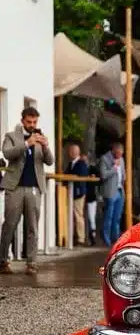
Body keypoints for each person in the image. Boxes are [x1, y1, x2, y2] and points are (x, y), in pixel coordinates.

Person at [0, 106, 54, 275]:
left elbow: (50, 161)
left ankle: (32, 263)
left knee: (33, 227)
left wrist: (45, 146)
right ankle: (3, 261)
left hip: (34, 188)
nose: (32, 125)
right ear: (22, 120)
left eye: (34, 122)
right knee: (9, 225)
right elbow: (7, 153)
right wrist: (26, 144)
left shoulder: (40, 136)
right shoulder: (11, 136)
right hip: (14, 187)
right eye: (29, 122)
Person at [99, 141, 125, 246]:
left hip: (119, 190)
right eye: (118, 154)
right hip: (110, 191)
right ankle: (106, 239)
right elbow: (103, 175)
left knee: (117, 217)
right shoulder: (105, 159)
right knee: (108, 217)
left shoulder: (121, 159)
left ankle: (116, 239)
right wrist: (114, 168)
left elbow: (123, 172)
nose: (119, 156)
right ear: (113, 150)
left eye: (121, 154)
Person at [66, 142, 89, 246]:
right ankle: (74, 236)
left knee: (78, 215)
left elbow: (81, 178)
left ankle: (81, 238)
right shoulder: (71, 163)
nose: (69, 153)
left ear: (76, 152)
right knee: (73, 215)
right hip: (72, 192)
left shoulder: (81, 163)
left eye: (71, 151)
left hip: (78, 193)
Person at [81, 153, 100, 246]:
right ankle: (84, 238)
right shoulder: (80, 168)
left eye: (85, 160)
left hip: (91, 196)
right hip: (80, 195)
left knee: (91, 217)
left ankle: (92, 237)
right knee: (83, 218)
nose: (84, 162)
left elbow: (100, 178)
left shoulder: (93, 169)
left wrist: (94, 177)